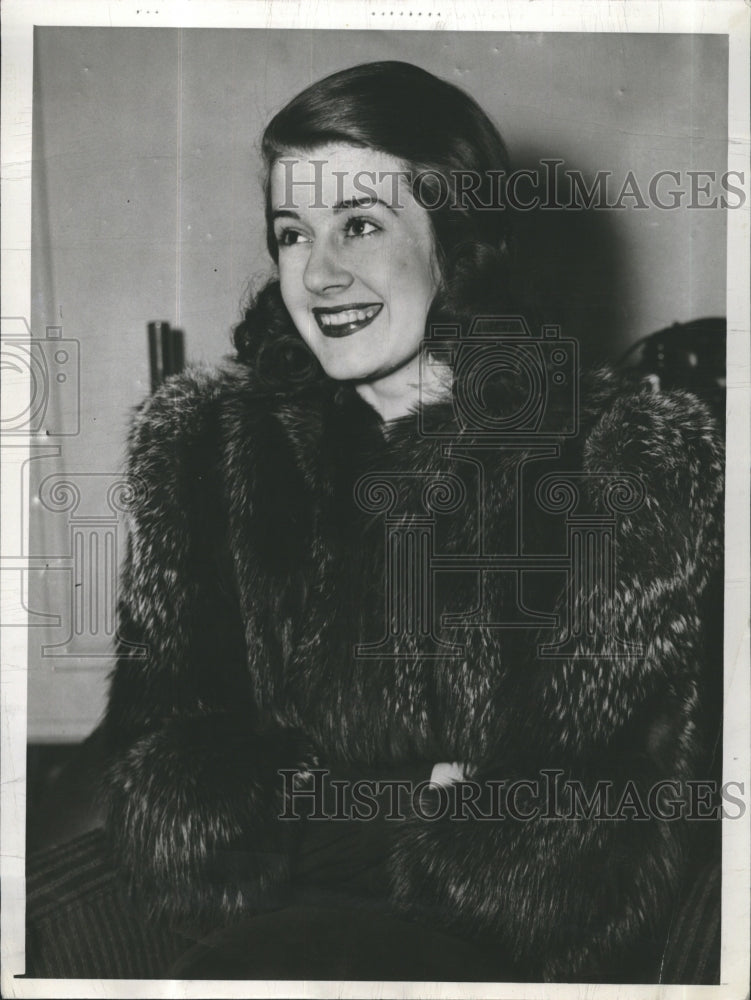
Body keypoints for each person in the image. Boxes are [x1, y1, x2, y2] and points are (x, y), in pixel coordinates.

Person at [27, 60, 724, 983]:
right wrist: (402, 795)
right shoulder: (211, 450)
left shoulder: (616, 464)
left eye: (360, 224)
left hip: (487, 937)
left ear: (456, 243)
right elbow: (175, 762)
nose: (317, 273)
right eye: (290, 234)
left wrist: (323, 797)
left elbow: (584, 851)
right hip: (246, 891)